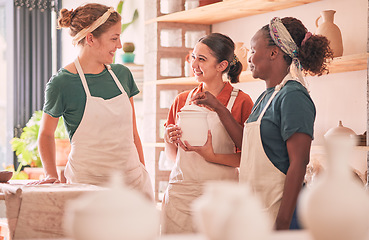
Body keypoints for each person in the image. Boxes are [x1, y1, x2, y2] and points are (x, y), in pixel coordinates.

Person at [191, 17, 333, 230]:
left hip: (280, 215)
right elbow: (248, 146)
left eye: (254, 51)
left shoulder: (293, 96)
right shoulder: (267, 97)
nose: (248, 59)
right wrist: (218, 107)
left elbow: (299, 163)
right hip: (258, 211)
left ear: (274, 53)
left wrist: (282, 223)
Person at [34, 3, 153, 200]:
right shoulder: (62, 83)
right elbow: (46, 134)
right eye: (114, 38)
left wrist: (143, 169)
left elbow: (132, 132)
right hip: (86, 189)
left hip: (133, 185)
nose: (119, 45)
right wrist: (51, 176)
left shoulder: (122, 75)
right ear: (90, 39)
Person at [161, 33, 254, 234]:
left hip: (222, 196)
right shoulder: (181, 100)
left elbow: (247, 157)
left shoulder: (241, 101)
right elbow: (173, 156)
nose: (194, 64)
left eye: (201, 59)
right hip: (181, 196)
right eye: (193, 57)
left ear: (221, 65)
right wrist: (169, 138)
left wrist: (211, 157)